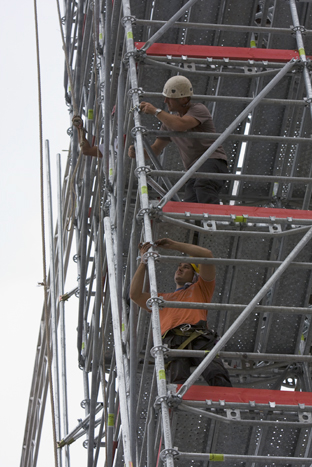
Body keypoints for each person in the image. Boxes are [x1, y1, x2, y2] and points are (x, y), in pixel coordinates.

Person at [130, 237, 232, 387]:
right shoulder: (161, 299)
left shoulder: (201, 288)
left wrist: (174, 245)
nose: (180, 269)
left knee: (216, 374)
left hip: (199, 336)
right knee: (177, 383)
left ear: (195, 275)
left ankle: (224, 404)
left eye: (186, 267)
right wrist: (143, 262)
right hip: (173, 341)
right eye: (179, 266)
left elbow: (206, 255)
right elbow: (135, 295)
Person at [128, 75, 228, 204]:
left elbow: (180, 125)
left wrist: (156, 111)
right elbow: (155, 150)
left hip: (211, 161)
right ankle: (201, 223)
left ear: (184, 99)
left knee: (204, 188)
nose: (165, 101)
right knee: (190, 205)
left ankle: (213, 219)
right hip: (194, 169)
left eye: (169, 98)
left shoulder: (198, 109)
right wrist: (138, 153)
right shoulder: (168, 124)